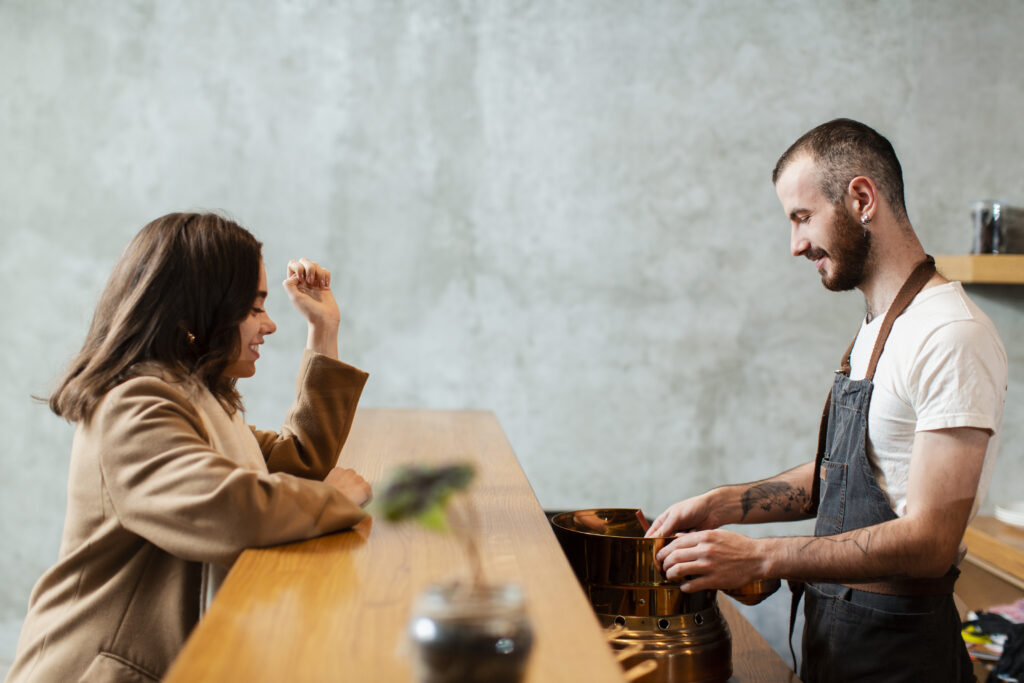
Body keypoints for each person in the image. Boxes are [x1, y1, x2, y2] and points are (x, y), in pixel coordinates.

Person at [646, 119, 1007, 682]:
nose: (794, 246)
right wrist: (724, 502)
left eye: (802, 217)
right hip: (835, 650)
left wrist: (763, 556)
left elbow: (930, 542)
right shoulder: (878, 329)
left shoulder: (951, 335)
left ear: (862, 199)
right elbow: (846, 480)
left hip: (901, 662)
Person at [6, 212, 373, 683]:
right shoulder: (135, 406)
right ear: (198, 313)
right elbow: (228, 511)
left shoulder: (195, 398)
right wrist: (335, 499)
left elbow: (296, 461)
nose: (270, 325)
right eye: (254, 308)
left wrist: (323, 331)